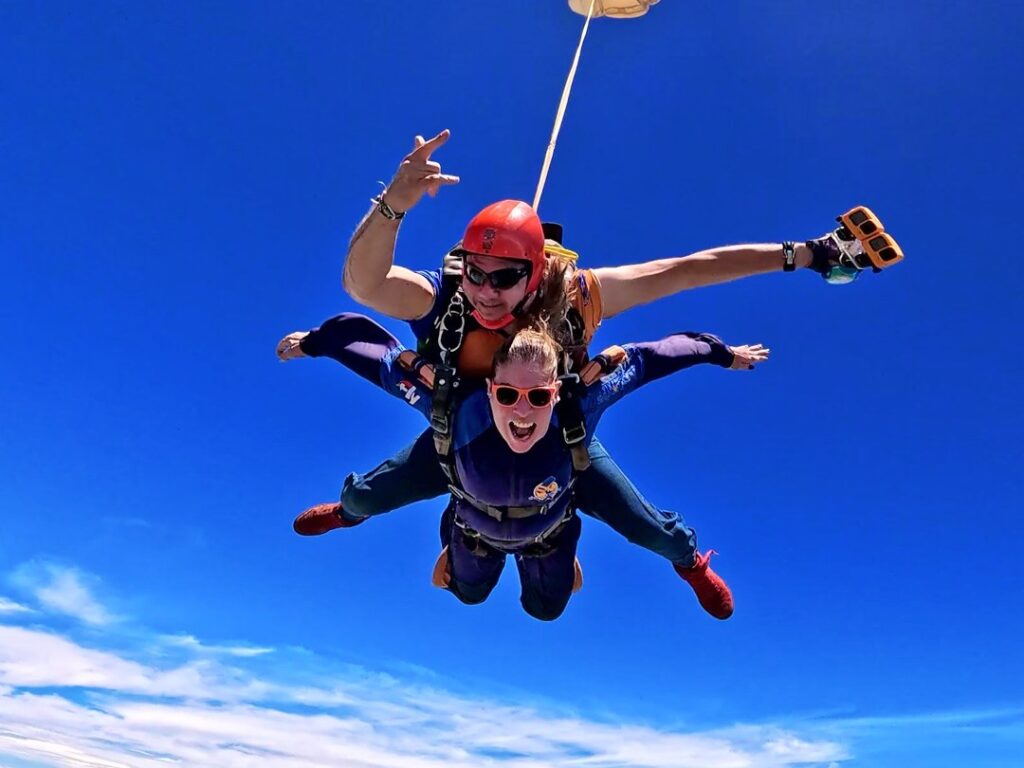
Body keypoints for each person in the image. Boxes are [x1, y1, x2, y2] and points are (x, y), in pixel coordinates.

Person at [280, 129, 897, 595]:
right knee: (370, 503)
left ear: (539, 272)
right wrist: (394, 202)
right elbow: (364, 289)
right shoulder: (445, 300)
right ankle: (373, 516)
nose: (486, 290)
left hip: (559, 433)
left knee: (641, 533)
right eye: (476, 272)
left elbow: (686, 271)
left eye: (506, 276)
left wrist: (810, 254)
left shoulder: (579, 296)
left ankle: (671, 558)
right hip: (458, 433)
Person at [287, 312, 769, 620]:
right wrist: (315, 340)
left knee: (556, 603)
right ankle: (347, 514)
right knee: (456, 583)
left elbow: (650, 359)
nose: (522, 412)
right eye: (508, 395)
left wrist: (722, 353)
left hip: (556, 503)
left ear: (556, 393)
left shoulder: (580, 405)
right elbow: (381, 358)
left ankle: (690, 566)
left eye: (539, 397)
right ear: (490, 389)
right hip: (470, 498)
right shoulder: (455, 410)